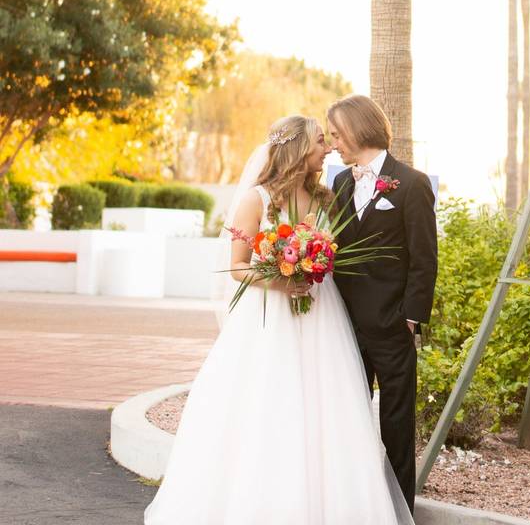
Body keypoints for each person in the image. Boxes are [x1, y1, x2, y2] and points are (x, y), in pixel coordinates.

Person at [144, 115, 413, 525]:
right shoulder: (255, 200)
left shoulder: (326, 198)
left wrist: (314, 268)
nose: (327, 149)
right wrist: (281, 281)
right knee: (269, 407)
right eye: (321, 141)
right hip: (268, 321)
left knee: (327, 408)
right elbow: (236, 267)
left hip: (322, 317)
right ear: (300, 148)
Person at [327, 95, 438, 514]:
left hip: (392, 327)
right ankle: (354, 507)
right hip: (342, 326)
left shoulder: (410, 183)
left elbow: (424, 260)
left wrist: (409, 320)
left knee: (395, 425)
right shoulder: (340, 183)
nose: (334, 142)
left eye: (337, 133)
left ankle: (398, 512)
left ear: (358, 129)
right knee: (347, 419)